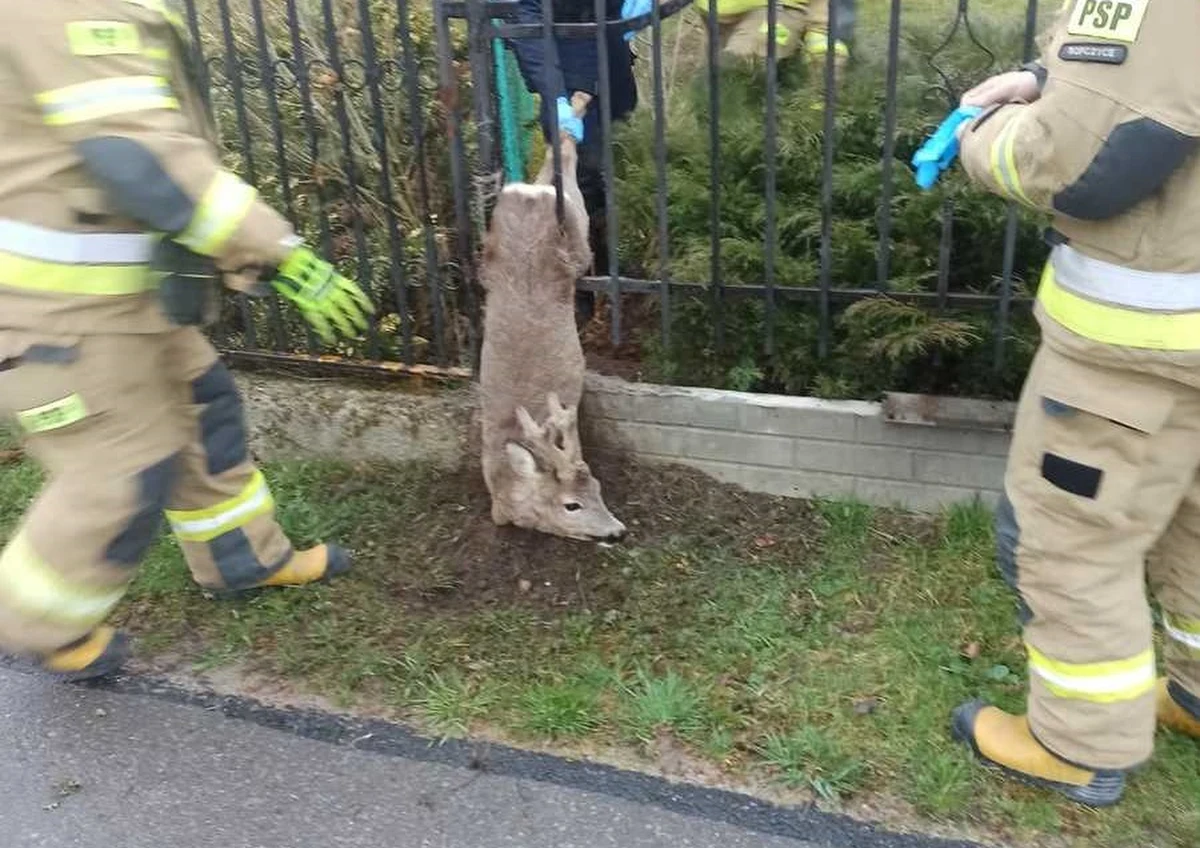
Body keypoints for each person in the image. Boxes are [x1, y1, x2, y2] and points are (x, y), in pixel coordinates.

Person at [0, 2, 374, 681]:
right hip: (52, 314)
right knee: (118, 468)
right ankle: (35, 625)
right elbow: (136, 152)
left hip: (117, 302)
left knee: (203, 409)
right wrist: (278, 253)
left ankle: (243, 559)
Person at [949, 0, 1200, 807]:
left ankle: (1078, 746)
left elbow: (1079, 164)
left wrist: (976, 141)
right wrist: (1042, 74)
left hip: (1139, 348)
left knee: (1067, 541)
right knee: (1193, 518)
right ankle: (1196, 694)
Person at [505, 0, 648, 325]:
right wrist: (556, 95)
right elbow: (528, 17)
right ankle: (578, 291)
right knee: (579, 179)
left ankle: (615, 274)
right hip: (565, 68)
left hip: (612, 59)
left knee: (619, 166)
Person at [692, 0, 853, 85]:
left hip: (778, 12)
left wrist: (820, 31)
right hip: (716, 15)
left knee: (738, 65)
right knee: (708, 85)